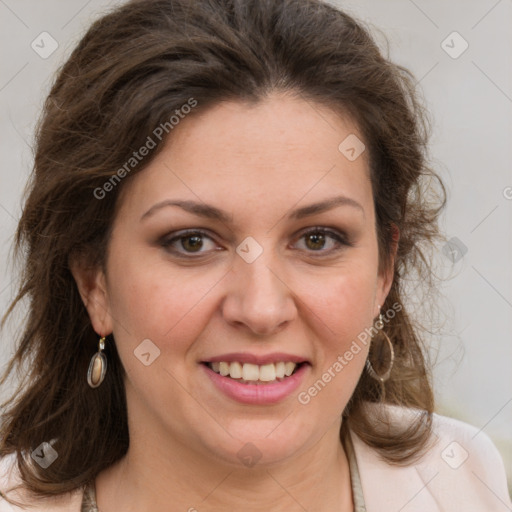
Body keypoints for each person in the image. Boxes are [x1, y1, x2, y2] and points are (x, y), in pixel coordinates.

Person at [0, 0, 510, 510]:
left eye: (317, 239)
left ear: (383, 270)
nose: (262, 310)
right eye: (192, 242)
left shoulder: (464, 483)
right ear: (95, 282)